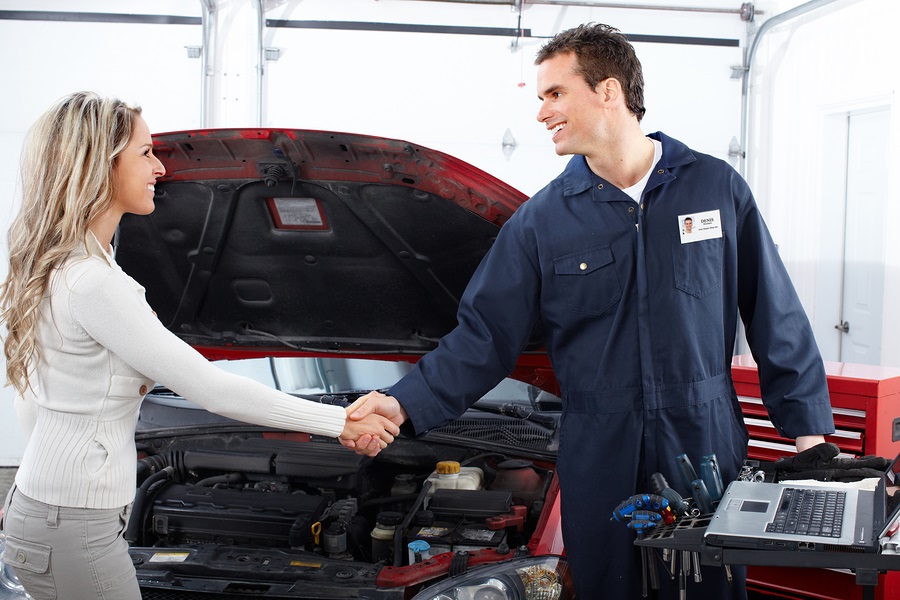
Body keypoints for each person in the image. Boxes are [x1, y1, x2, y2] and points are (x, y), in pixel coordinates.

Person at [342, 23, 835, 599]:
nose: (542, 112)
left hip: (703, 436)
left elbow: (776, 313)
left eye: (554, 93)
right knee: (606, 588)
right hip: (599, 447)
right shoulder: (544, 220)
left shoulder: (715, 188)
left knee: (708, 586)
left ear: (607, 90)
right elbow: (483, 338)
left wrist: (811, 439)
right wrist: (400, 405)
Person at [0, 91, 399, 600]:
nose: (159, 168)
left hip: (44, 509)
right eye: (145, 153)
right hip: (73, 527)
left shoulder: (57, 266)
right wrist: (340, 421)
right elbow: (207, 386)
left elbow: (30, 400)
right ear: (98, 167)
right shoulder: (94, 284)